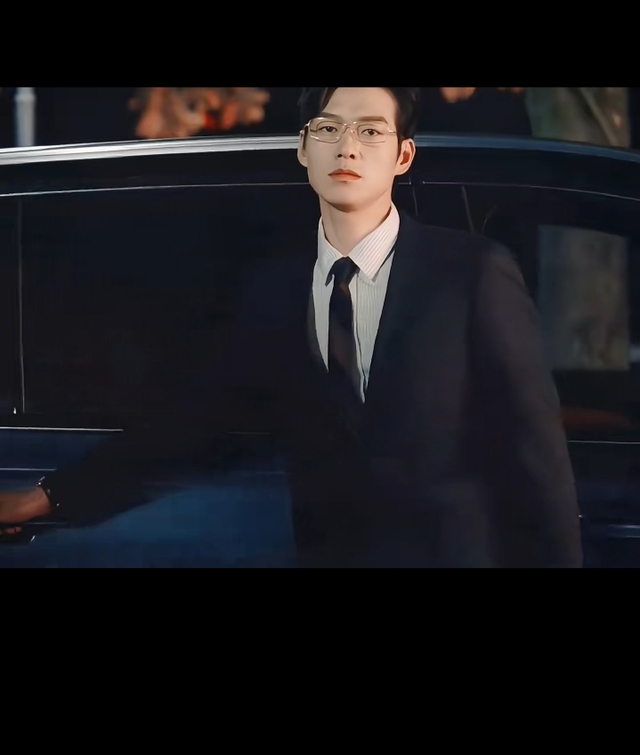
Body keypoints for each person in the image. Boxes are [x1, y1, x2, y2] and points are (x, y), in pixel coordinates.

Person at [0, 87, 583, 568]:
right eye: (328, 129)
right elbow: (196, 422)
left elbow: (538, 460)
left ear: (403, 156)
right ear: (303, 148)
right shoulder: (275, 289)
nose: (346, 146)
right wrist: (49, 495)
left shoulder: (471, 274)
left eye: (370, 131)